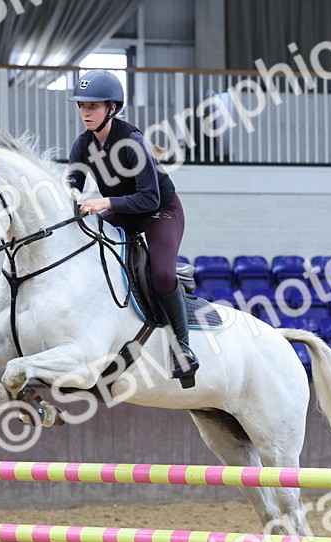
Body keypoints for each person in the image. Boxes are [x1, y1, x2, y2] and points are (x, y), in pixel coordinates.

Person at [64, 69, 198, 383]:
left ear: (112, 108)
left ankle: (183, 348)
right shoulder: (82, 145)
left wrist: (105, 202)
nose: (86, 112)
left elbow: (149, 199)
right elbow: (73, 183)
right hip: (125, 211)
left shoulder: (132, 142)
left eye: (93, 107)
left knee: (162, 275)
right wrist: (71, 198)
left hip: (159, 211)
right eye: (82, 106)